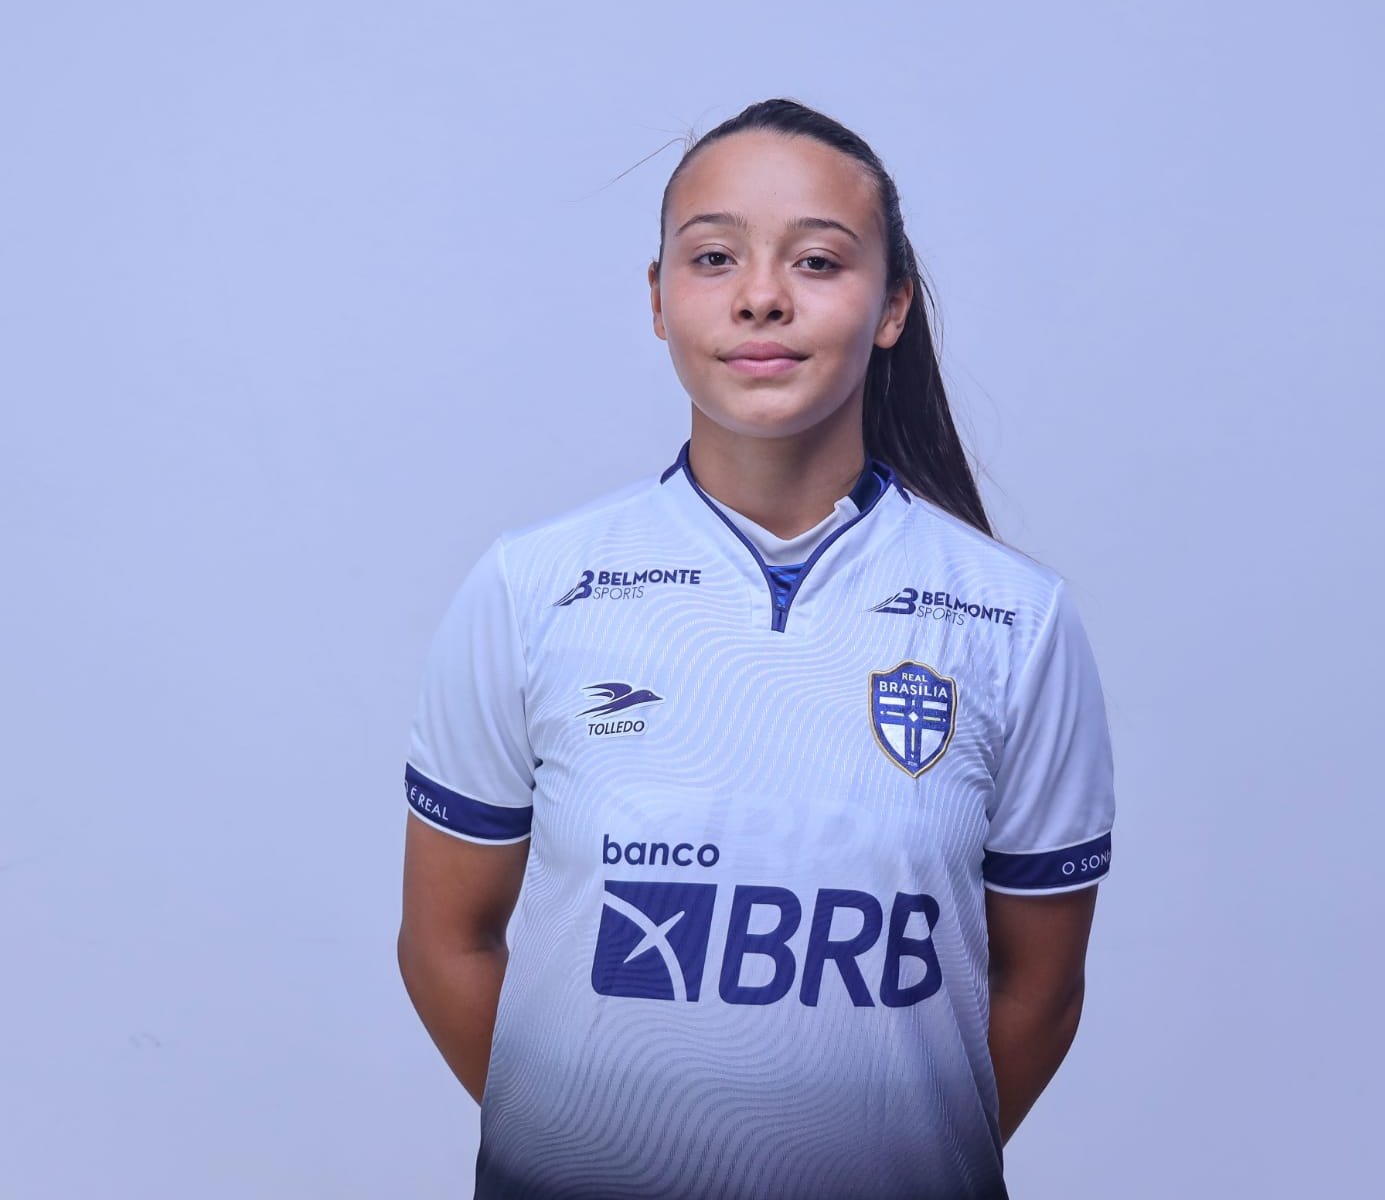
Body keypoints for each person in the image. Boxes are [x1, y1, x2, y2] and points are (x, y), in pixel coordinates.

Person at [397, 97, 1116, 1200]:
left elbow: (1041, 991)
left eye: (817, 261)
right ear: (657, 299)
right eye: (715, 257)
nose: (762, 296)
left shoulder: (1015, 619)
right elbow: (445, 942)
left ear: (892, 306)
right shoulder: (530, 587)